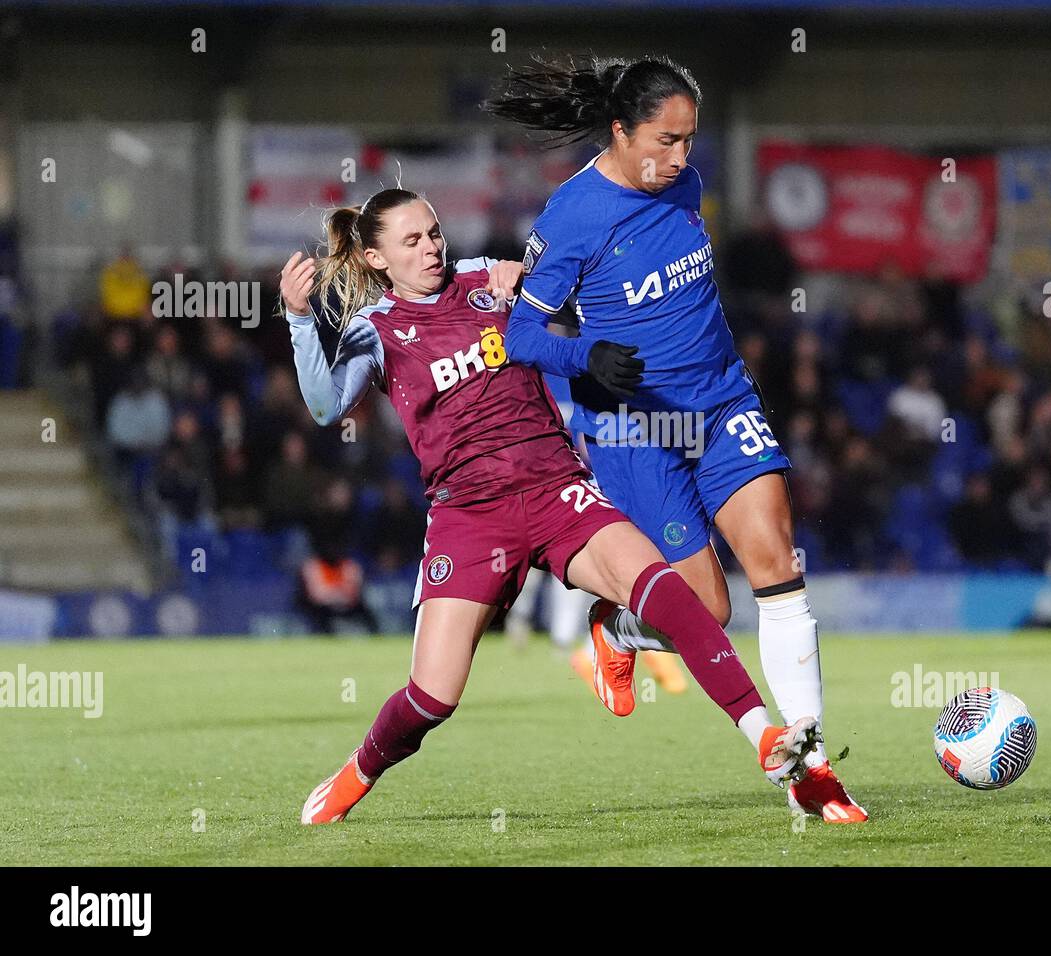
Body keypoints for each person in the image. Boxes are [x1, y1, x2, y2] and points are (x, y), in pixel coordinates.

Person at [282, 187, 821, 824]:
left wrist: (537, 298)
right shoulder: (375, 331)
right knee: (432, 697)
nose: (431, 248)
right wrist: (297, 318)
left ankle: (765, 738)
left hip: (557, 487)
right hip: (470, 515)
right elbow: (324, 406)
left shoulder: (489, 280)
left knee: (671, 592)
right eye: (411, 241)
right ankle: (359, 770)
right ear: (376, 259)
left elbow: (581, 311)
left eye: (433, 232)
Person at [484, 54, 866, 823]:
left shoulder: (683, 184)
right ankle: (616, 626)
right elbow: (520, 336)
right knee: (707, 611)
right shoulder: (570, 217)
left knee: (777, 559)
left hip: (721, 401)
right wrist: (583, 354)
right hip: (632, 429)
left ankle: (813, 769)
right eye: (666, 140)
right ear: (621, 132)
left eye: (690, 140)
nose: (681, 159)